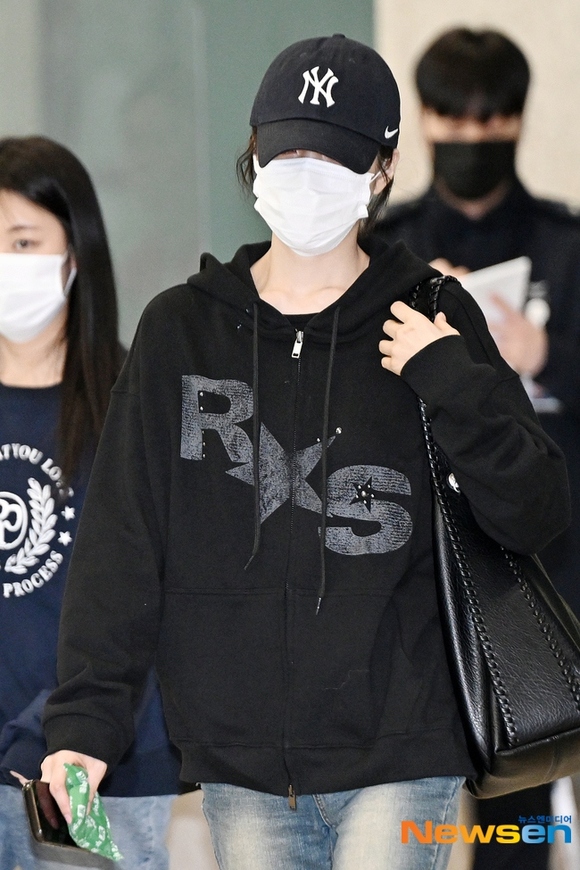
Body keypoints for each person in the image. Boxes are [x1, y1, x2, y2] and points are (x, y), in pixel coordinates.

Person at [40, 36, 569, 870]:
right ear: (254, 154)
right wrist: (83, 725)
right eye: (288, 152)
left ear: (383, 172)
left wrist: (450, 381)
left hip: (403, 743)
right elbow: (123, 541)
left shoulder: (430, 314)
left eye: (333, 157)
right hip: (241, 757)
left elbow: (536, 510)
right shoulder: (183, 329)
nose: (305, 176)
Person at [375, 27, 580, 870]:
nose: (471, 136)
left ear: (518, 120)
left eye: (491, 118)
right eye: (452, 117)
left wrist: (545, 355)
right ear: (424, 121)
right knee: (429, 799)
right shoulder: (387, 246)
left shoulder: (568, 244)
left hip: (558, 551)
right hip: (428, 556)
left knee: (531, 795)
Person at [0, 136, 182, 869]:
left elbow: (156, 600)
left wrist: (56, 733)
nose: (5, 262)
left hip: (99, 772)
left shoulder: (134, 400)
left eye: (23, 241)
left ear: (74, 252)